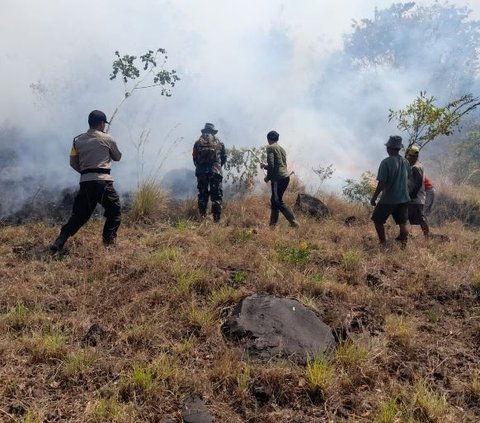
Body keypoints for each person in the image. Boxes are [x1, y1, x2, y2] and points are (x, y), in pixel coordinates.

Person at [50, 110, 122, 251]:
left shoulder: (77, 140)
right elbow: (117, 157)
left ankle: (60, 239)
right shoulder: (108, 138)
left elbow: (73, 162)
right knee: (115, 211)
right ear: (102, 123)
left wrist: (86, 173)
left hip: (85, 182)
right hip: (103, 182)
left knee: (80, 215)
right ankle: (109, 244)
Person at [370, 135, 411, 245]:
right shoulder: (405, 162)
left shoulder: (386, 162)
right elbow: (408, 177)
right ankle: (403, 242)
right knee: (403, 222)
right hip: (404, 198)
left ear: (389, 148)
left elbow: (382, 183)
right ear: (398, 148)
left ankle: (383, 242)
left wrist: (374, 197)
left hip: (389, 199)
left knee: (377, 220)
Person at [261, 130, 299, 228]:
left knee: (277, 201)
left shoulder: (270, 147)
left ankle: (294, 223)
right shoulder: (282, 149)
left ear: (269, 139)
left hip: (278, 179)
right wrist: (265, 166)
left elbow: (272, 165)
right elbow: (280, 165)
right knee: (274, 200)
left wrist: (267, 177)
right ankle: (272, 225)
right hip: (285, 177)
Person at [192, 123, 227, 222]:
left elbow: (194, 158)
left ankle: (203, 217)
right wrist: (218, 167)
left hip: (201, 172)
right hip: (215, 172)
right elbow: (224, 158)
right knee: (216, 195)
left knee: (202, 194)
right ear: (213, 132)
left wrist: (199, 167)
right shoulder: (220, 142)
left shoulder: (197, 142)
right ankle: (216, 220)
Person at [405, 145, 429, 237]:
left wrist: (412, 195)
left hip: (416, 198)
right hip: (417, 197)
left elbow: (418, 183)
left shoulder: (415, 167)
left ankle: (427, 236)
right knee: (413, 217)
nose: (408, 158)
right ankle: (408, 235)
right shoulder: (420, 165)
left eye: (409, 157)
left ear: (413, 156)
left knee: (420, 218)